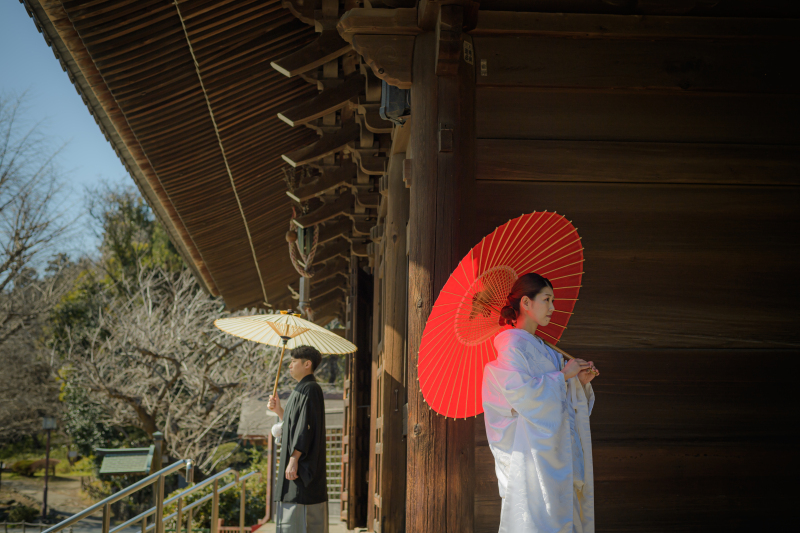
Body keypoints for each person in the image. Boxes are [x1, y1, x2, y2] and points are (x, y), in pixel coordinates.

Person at [482, 273, 600, 533]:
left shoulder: (546, 349)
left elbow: (562, 402)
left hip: (558, 451)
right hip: (533, 457)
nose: (552, 307)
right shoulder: (512, 345)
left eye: (553, 300)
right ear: (526, 302)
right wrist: (563, 376)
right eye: (547, 300)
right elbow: (523, 396)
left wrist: (578, 382)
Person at [267, 345, 329, 533]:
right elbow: (294, 425)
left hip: (303, 465)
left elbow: (305, 427)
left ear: (307, 364)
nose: (290, 366)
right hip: (296, 462)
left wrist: (294, 458)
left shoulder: (311, 389)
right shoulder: (301, 389)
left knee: (302, 520)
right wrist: (278, 411)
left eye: (294, 362)